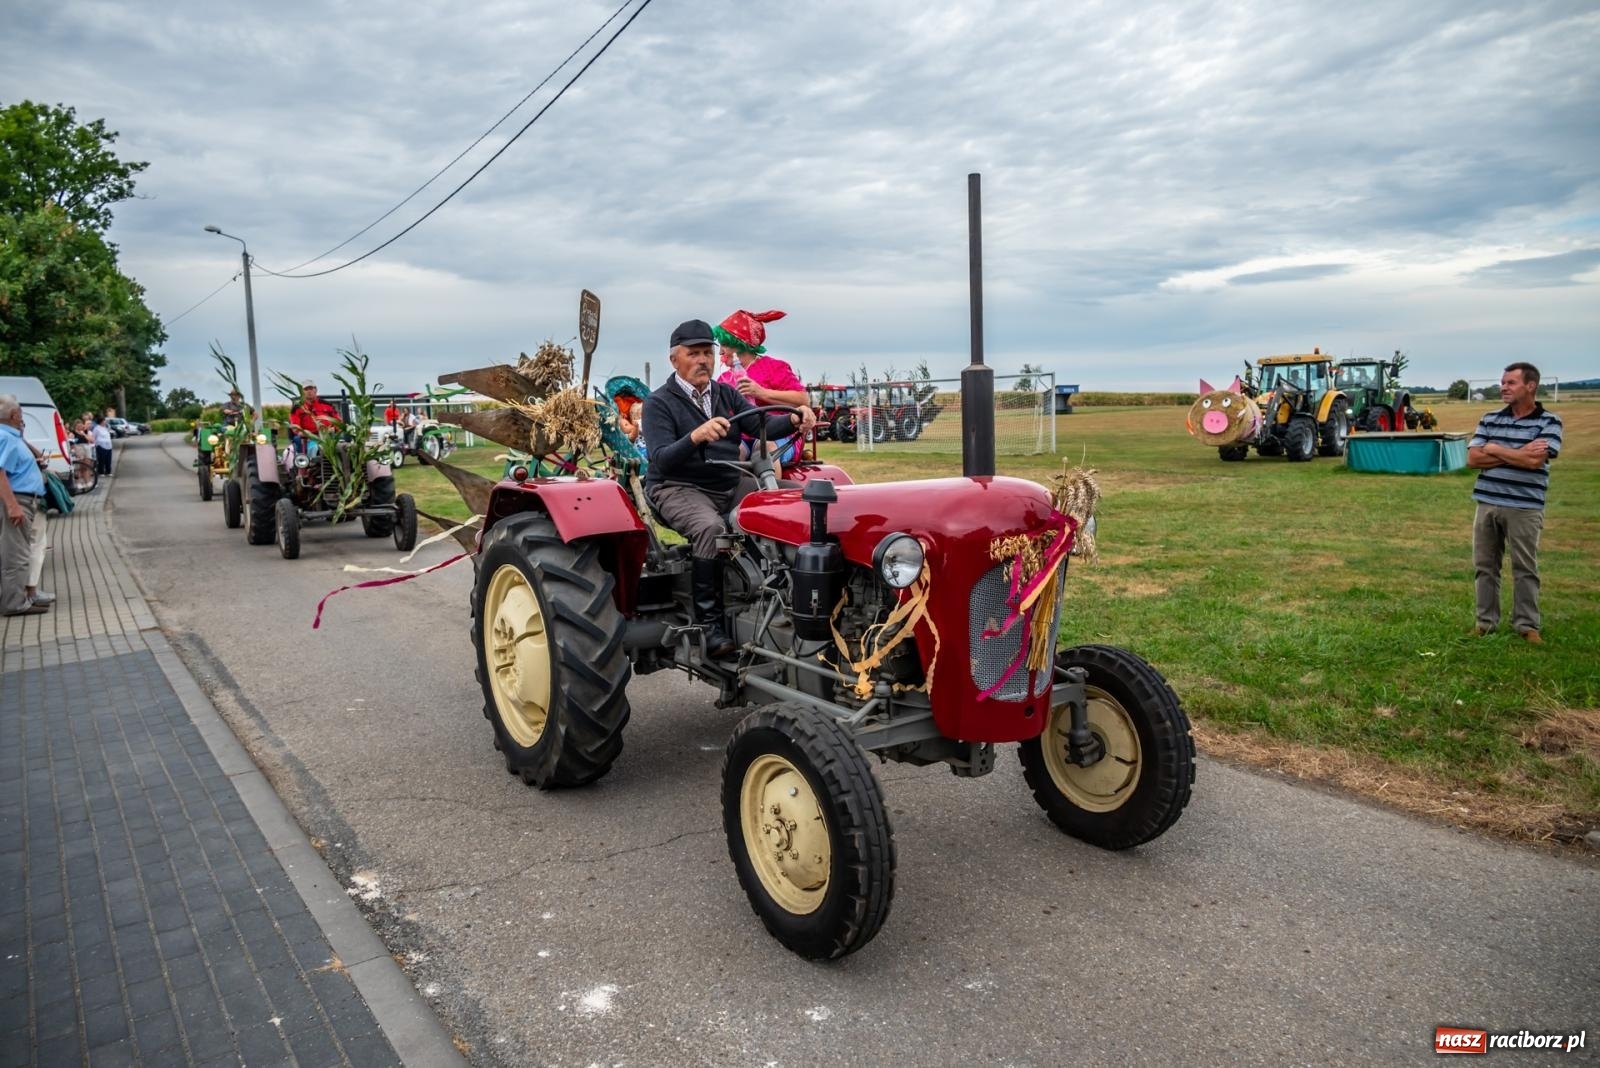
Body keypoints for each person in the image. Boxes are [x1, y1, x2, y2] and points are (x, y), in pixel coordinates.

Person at [641, 320, 814, 658]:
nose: (703, 360)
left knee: (795, 500)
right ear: (674, 359)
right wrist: (695, 436)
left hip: (728, 480)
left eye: (708, 352)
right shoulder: (659, 402)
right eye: (694, 353)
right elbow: (660, 459)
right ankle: (710, 626)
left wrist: (794, 418)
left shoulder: (725, 394)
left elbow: (759, 423)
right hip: (676, 486)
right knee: (710, 528)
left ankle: (797, 599)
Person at [1467, 361, 1563, 643]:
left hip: (1524, 507)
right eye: (1503, 382)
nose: (1503, 387)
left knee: (1524, 567)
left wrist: (1494, 448)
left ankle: (1527, 625)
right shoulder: (1490, 418)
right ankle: (1485, 623)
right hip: (1486, 504)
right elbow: (1473, 459)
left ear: (1530, 386)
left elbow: (1535, 461)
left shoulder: (1549, 421)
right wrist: (1516, 452)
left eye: (1511, 383)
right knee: (1485, 566)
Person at [712, 309, 809, 462]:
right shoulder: (723, 378)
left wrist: (761, 393)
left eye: (724, 344)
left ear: (740, 344)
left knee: (764, 451)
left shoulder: (774, 367)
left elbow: (803, 399)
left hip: (780, 436)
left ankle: (775, 487)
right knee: (730, 453)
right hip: (742, 437)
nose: (720, 352)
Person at [0, 395, 49, 617]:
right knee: (17, 554)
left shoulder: (11, 436)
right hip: (19, 500)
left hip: (22, 499)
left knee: (16, 552)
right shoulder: (6, 438)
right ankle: (14, 603)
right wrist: (12, 506)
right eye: (20, 412)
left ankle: (15, 599)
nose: (22, 416)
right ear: (14, 415)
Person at [289, 383, 341, 453]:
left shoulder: (327, 405)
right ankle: (307, 461)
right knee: (309, 446)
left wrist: (334, 429)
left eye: (311, 389)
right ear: (302, 392)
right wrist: (306, 434)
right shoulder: (297, 408)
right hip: (309, 437)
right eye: (306, 389)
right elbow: (296, 428)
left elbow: (338, 422)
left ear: (315, 390)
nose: (309, 391)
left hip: (328, 435)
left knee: (341, 446)